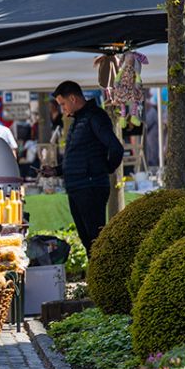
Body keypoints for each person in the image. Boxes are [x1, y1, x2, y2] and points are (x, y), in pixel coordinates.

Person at [41, 81, 123, 257]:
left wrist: (105, 168)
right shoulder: (79, 120)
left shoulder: (95, 117)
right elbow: (78, 156)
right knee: (87, 240)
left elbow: (116, 148)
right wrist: (56, 171)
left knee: (96, 239)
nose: (62, 109)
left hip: (91, 187)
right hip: (78, 187)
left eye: (62, 104)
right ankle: (95, 279)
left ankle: (102, 280)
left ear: (73, 98)